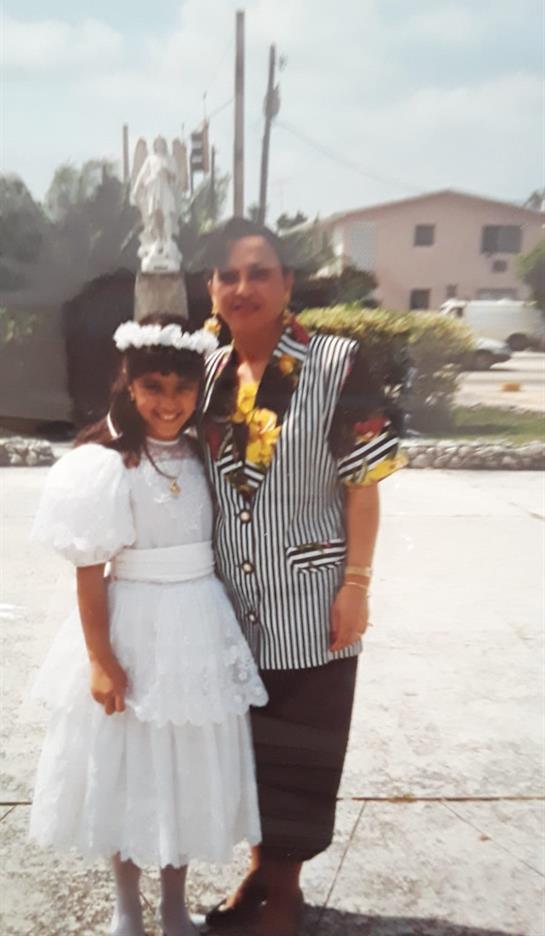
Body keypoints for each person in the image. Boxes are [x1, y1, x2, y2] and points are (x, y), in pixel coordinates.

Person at [29, 313, 267, 936]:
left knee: (184, 766)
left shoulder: (205, 453)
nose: (169, 402)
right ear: (128, 388)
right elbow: (88, 569)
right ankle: (128, 908)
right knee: (128, 766)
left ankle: (175, 906)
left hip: (197, 622)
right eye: (153, 387)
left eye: (182, 388)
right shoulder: (105, 464)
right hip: (132, 619)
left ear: (199, 391)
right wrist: (101, 658)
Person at [200, 218, 404, 936]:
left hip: (312, 599)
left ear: (287, 284)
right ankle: (262, 869)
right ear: (211, 288)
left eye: (259, 272)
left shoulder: (336, 363)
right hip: (226, 604)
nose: (242, 287)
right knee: (246, 748)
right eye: (228, 275)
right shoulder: (208, 374)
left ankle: (284, 895)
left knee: (304, 748)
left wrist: (357, 582)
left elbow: (364, 482)